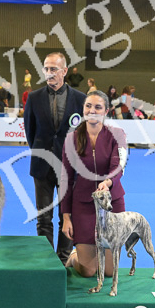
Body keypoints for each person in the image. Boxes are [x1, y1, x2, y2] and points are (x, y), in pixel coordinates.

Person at [24, 52, 87, 263]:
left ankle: (63, 259)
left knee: (67, 216)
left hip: (70, 167)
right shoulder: (33, 98)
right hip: (41, 165)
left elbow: (83, 135)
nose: (49, 73)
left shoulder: (80, 99)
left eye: (54, 69)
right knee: (43, 217)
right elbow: (30, 132)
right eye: (46, 69)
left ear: (64, 71)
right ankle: (47, 260)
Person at [60, 90, 127, 277]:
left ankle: (98, 254)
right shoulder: (71, 138)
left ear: (106, 111)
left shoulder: (118, 134)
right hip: (83, 205)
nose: (92, 111)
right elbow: (66, 178)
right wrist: (66, 217)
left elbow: (118, 166)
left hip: (112, 204)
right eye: (88, 106)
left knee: (109, 272)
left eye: (98, 107)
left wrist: (108, 182)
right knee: (88, 271)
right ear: (83, 109)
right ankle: (74, 257)